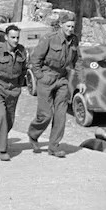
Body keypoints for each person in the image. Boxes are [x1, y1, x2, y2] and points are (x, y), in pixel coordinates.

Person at [27, 12, 85, 158]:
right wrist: (40, 76)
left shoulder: (74, 40)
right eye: (68, 26)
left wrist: (81, 80)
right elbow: (35, 59)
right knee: (45, 115)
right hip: (47, 77)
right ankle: (33, 134)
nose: (71, 29)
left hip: (62, 79)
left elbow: (77, 61)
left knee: (60, 115)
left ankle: (54, 146)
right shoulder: (49, 38)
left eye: (73, 26)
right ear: (61, 25)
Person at [0, 24, 27, 161]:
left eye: (17, 37)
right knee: (0, 117)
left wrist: (19, 84)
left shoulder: (22, 51)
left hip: (13, 90)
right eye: (12, 37)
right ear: (6, 37)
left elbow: (24, 68)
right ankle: (1, 150)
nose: (15, 40)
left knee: (9, 120)